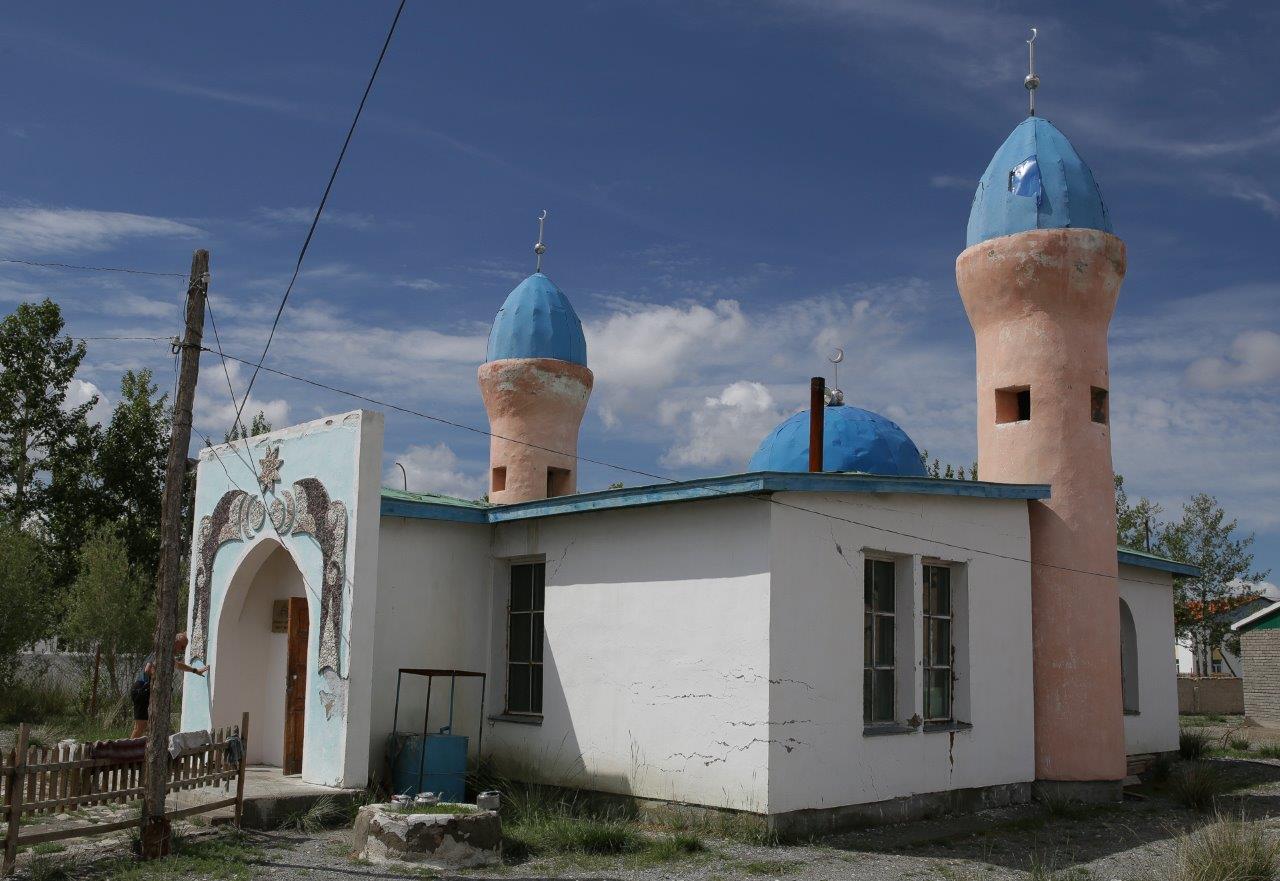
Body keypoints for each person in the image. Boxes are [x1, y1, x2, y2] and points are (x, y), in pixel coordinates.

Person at [130, 632, 208, 738]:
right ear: (175, 642)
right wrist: (161, 683)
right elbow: (148, 669)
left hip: (148, 690)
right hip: (142, 689)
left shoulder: (167, 655)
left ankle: (138, 749)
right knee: (140, 727)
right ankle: (128, 751)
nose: (182, 650)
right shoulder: (160, 652)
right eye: (182, 647)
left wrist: (195, 670)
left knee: (149, 725)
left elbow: (178, 665)